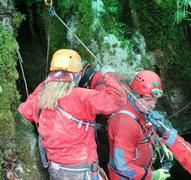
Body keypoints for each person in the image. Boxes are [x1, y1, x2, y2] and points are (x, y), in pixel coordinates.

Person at [18, 49, 126, 179]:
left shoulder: (40, 100)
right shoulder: (79, 97)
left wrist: (45, 86)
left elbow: (23, 111)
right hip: (82, 170)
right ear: (76, 75)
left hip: (56, 170)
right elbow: (116, 100)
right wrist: (109, 75)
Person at [107, 70, 173, 180]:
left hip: (143, 169)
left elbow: (146, 131)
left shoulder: (141, 110)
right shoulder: (124, 123)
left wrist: (159, 144)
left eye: (155, 100)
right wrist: (153, 176)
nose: (152, 105)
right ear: (135, 95)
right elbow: (122, 166)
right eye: (148, 100)